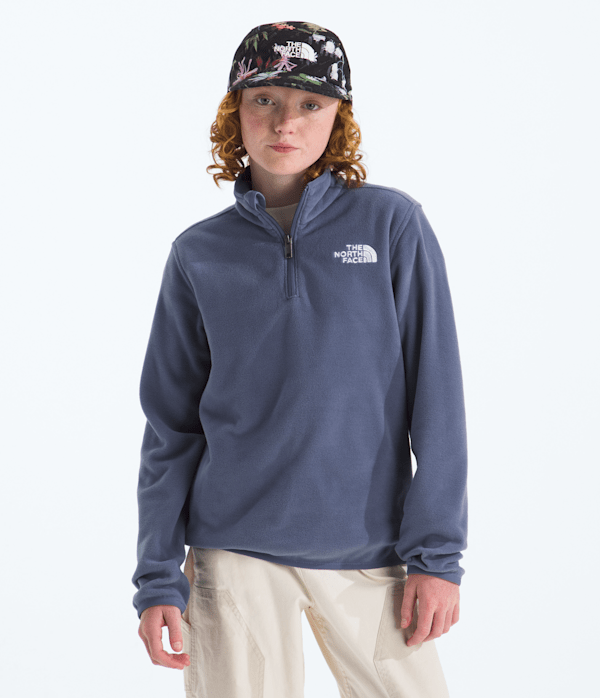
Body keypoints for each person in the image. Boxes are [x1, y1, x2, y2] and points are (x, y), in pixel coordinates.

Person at [133, 20, 468, 698]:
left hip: (371, 550)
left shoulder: (391, 225)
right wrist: (157, 578)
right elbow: (171, 428)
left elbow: (438, 399)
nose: (286, 122)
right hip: (233, 555)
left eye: (310, 103)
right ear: (235, 110)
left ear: (338, 116)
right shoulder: (198, 254)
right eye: (265, 100)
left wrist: (437, 558)